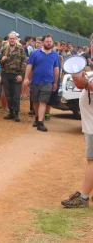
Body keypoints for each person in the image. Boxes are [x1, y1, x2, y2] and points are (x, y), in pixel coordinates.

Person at [61, 71, 93, 208]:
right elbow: (82, 86)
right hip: (90, 125)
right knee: (91, 160)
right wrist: (78, 79)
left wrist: (86, 83)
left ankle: (84, 197)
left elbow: (87, 85)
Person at [23, 34, 59, 132]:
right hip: (35, 81)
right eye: (47, 41)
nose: (49, 43)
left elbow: (56, 69)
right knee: (35, 102)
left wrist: (55, 82)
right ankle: (37, 117)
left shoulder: (55, 55)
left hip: (48, 82)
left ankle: (40, 122)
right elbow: (29, 66)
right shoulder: (35, 53)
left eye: (50, 41)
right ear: (43, 42)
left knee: (43, 102)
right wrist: (26, 78)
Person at [0, 32, 27, 122]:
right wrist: (2, 59)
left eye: (13, 38)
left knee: (16, 95)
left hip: (16, 74)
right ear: (8, 39)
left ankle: (16, 113)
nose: (11, 40)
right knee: (8, 94)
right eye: (10, 38)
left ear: (16, 39)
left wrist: (21, 75)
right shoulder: (4, 49)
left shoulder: (20, 49)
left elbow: (24, 62)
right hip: (6, 74)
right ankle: (11, 112)